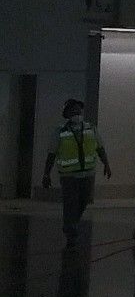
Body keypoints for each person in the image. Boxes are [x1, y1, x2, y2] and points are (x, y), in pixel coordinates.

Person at [41, 97, 110, 241]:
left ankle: (72, 223)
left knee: (84, 200)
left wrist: (106, 164)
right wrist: (46, 174)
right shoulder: (60, 131)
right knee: (70, 203)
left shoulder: (90, 128)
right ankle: (71, 230)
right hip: (69, 176)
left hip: (88, 174)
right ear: (67, 114)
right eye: (73, 110)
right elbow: (51, 154)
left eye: (78, 109)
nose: (77, 112)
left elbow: (100, 148)